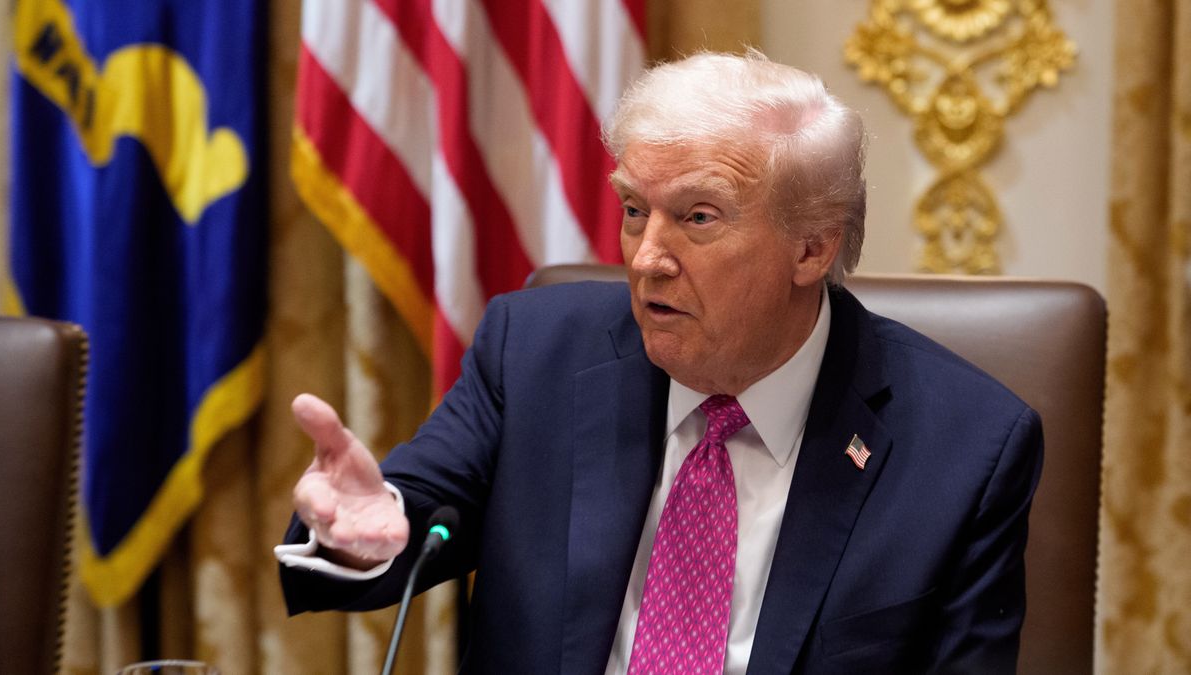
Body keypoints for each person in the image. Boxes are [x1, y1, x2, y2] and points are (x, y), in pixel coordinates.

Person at [276, 50, 1043, 675]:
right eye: (635, 210)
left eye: (697, 218)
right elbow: (408, 516)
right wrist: (363, 535)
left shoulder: (965, 447)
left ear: (812, 246)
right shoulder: (535, 351)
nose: (646, 259)